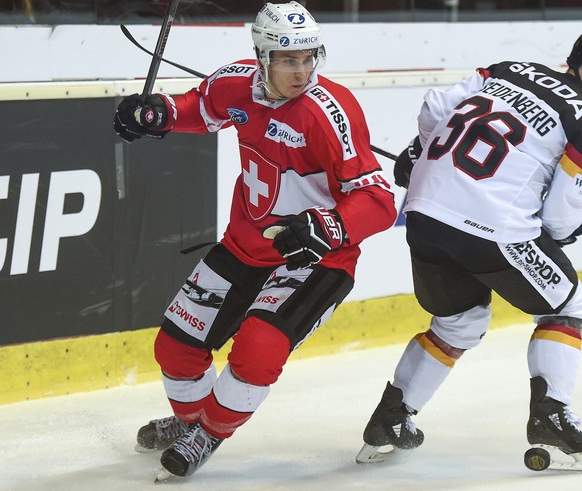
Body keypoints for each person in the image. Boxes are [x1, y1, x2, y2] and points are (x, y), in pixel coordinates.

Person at [113, 1, 396, 481]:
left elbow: (378, 199)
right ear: (262, 57)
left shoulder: (330, 111)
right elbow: (199, 108)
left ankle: (209, 433)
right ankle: (190, 421)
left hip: (315, 257)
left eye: (309, 58)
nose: (301, 71)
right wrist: (156, 113)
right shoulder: (235, 82)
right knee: (175, 348)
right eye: (288, 60)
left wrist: (327, 226)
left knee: (258, 347)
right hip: (244, 245)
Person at [355, 23, 582, 472]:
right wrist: (568, 230)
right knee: (566, 302)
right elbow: (558, 220)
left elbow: (436, 106)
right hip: (492, 229)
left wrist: (419, 151)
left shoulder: (506, 70)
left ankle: (392, 418)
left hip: (425, 216)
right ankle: (552, 415)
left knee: (459, 322)